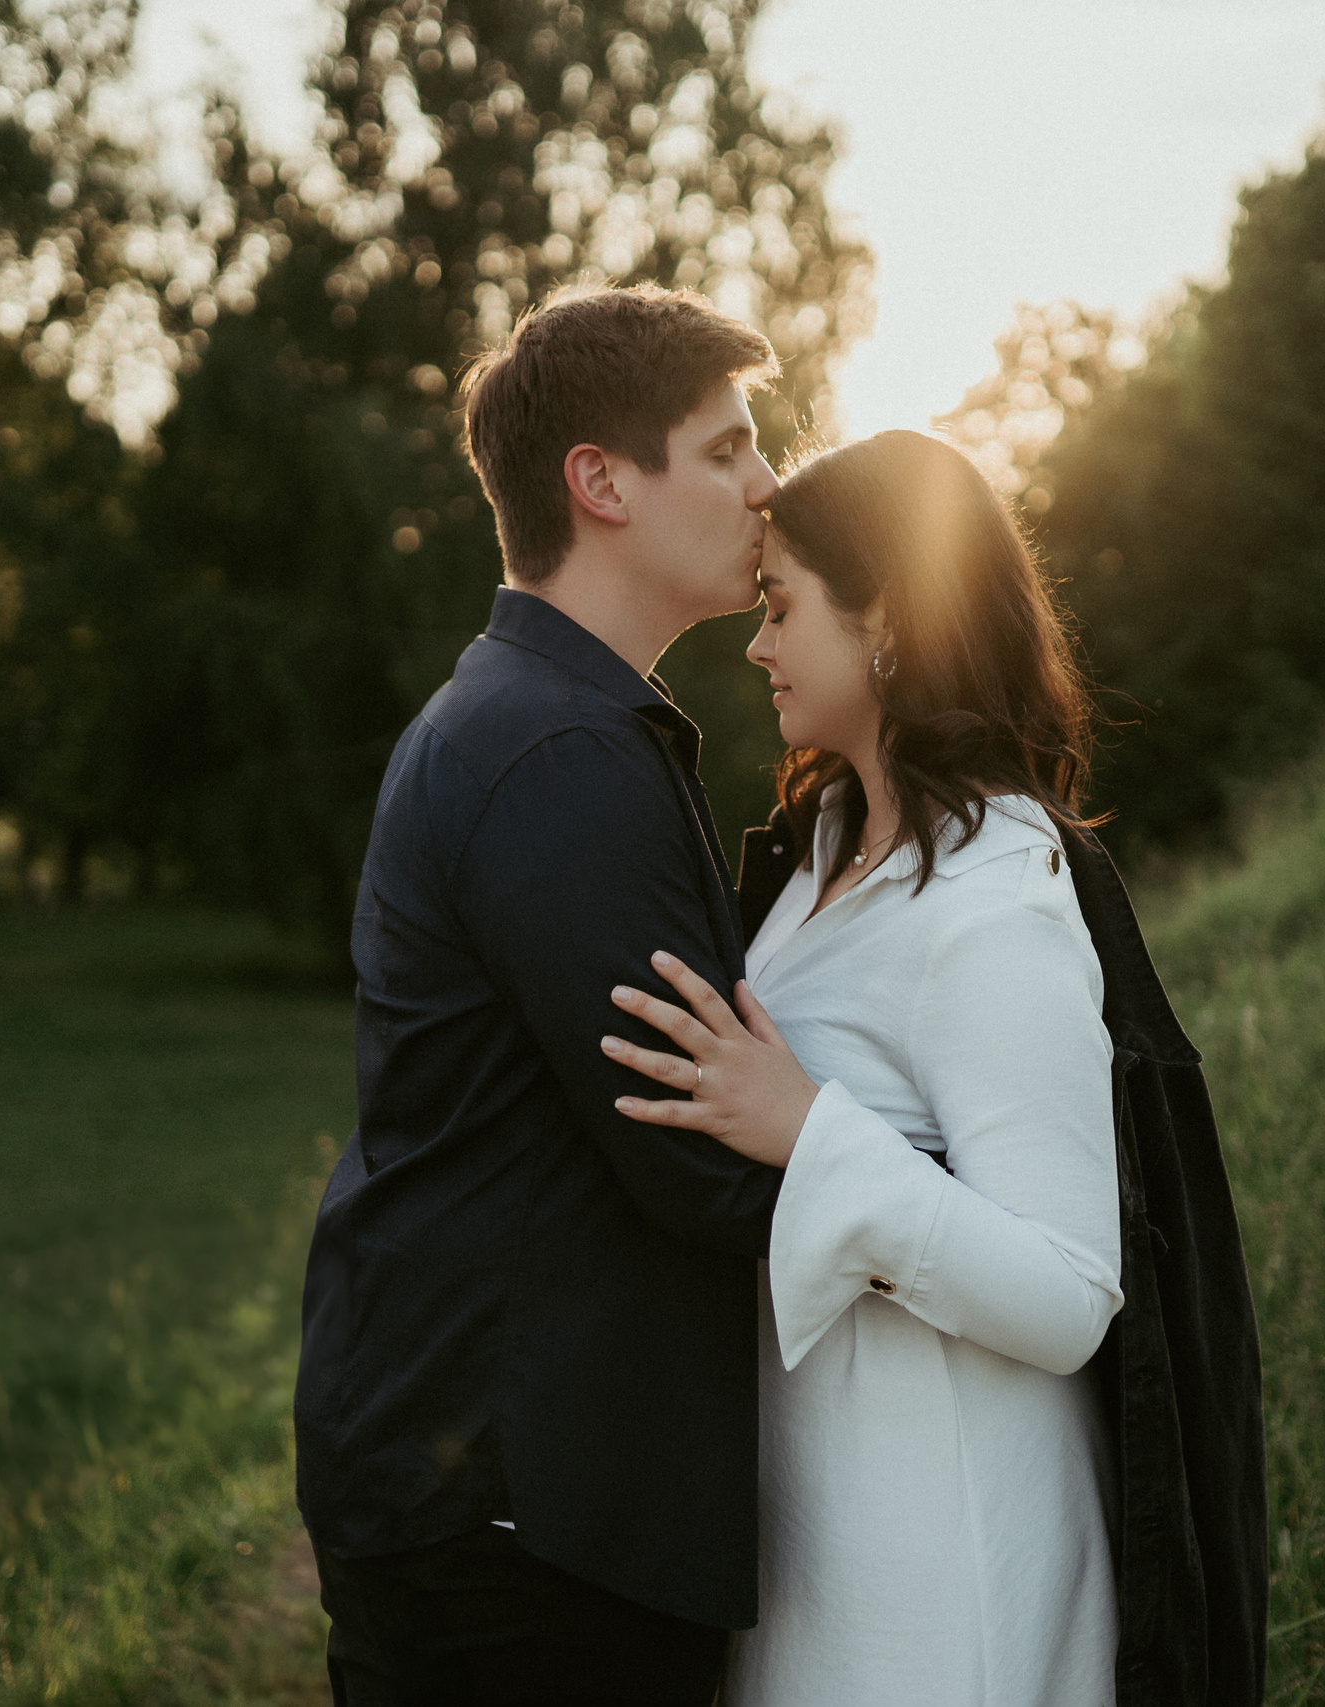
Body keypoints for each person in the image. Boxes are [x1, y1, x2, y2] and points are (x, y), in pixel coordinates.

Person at [605, 430, 1269, 1705]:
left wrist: (811, 1131)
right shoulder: (822, 849)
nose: (755, 646)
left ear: (889, 622)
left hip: (947, 1568)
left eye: (781, 607)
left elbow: (1070, 1291)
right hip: (825, 1519)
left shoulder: (992, 902)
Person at [291, 284, 788, 1706]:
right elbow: (701, 1157)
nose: (767, 486)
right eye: (727, 449)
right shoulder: (559, 754)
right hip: (520, 1524)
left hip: (484, 1481)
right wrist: (956, 1199)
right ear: (602, 483)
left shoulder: (530, 713)